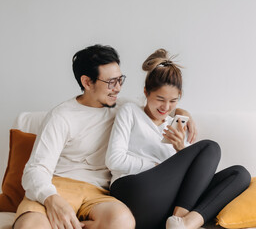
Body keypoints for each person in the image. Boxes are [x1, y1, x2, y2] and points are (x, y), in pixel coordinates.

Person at [14, 45, 197, 229]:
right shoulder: (62, 116)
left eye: (120, 80)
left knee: (123, 221)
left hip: (99, 194)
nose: (117, 88)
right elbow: (35, 169)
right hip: (60, 185)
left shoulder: (124, 108)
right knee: (31, 225)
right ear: (87, 82)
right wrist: (51, 199)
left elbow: (159, 102)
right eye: (111, 82)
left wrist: (181, 111)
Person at [106, 49, 251, 229]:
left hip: (166, 204)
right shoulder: (130, 111)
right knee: (210, 147)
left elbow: (193, 181)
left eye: (173, 101)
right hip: (134, 192)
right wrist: (158, 166)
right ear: (146, 92)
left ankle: (186, 223)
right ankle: (182, 217)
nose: (166, 107)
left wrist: (181, 150)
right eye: (160, 99)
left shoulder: (175, 125)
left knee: (240, 174)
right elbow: (114, 160)